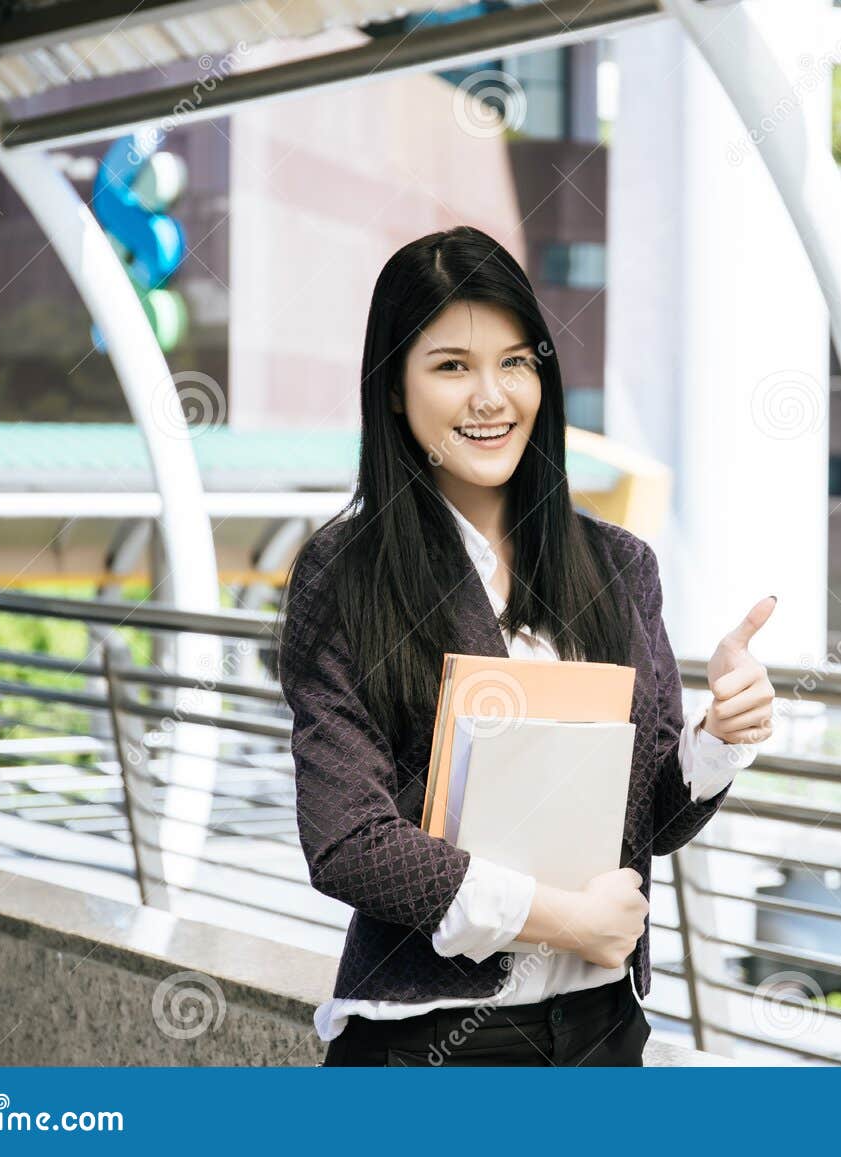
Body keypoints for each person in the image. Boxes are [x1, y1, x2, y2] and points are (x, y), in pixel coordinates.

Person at [277, 225, 777, 1066]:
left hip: (602, 1033)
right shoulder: (344, 576)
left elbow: (648, 819)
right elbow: (347, 840)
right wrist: (562, 917)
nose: (491, 396)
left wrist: (719, 736)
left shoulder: (619, 566)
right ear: (393, 390)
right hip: (428, 1044)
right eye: (450, 366)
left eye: (516, 362)